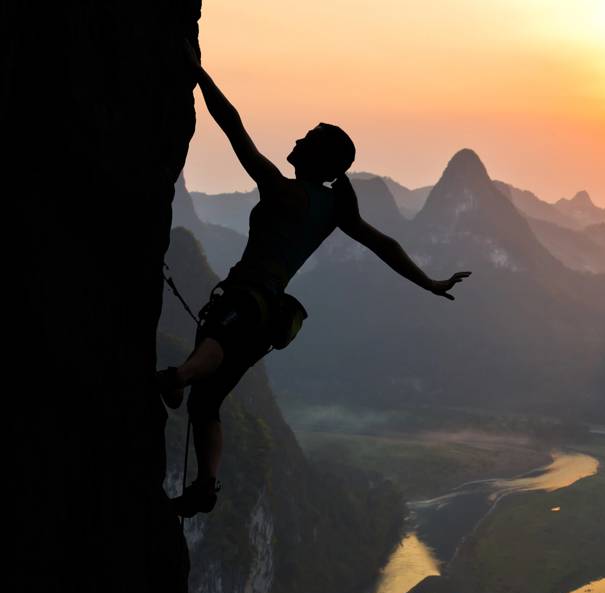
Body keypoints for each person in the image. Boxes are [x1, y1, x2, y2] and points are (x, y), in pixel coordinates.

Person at [160, 43, 470, 517]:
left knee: (218, 343)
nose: (298, 139)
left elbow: (234, 128)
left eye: (307, 138)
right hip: (270, 317)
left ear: (317, 157)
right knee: (208, 404)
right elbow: (384, 245)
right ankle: (206, 484)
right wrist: (429, 283)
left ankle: (177, 377)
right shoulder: (334, 210)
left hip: (246, 300)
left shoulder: (280, 189)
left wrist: (199, 76)